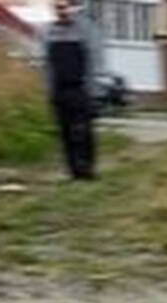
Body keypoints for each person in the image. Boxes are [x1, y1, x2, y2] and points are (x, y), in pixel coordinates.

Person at [43, 0, 102, 181]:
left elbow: (92, 63)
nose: (62, 11)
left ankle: (87, 168)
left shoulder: (84, 31)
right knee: (65, 132)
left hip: (80, 88)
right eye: (58, 8)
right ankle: (73, 170)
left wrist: (92, 92)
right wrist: (49, 92)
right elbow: (47, 66)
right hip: (59, 90)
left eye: (64, 7)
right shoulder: (49, 33)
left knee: (83, 131)